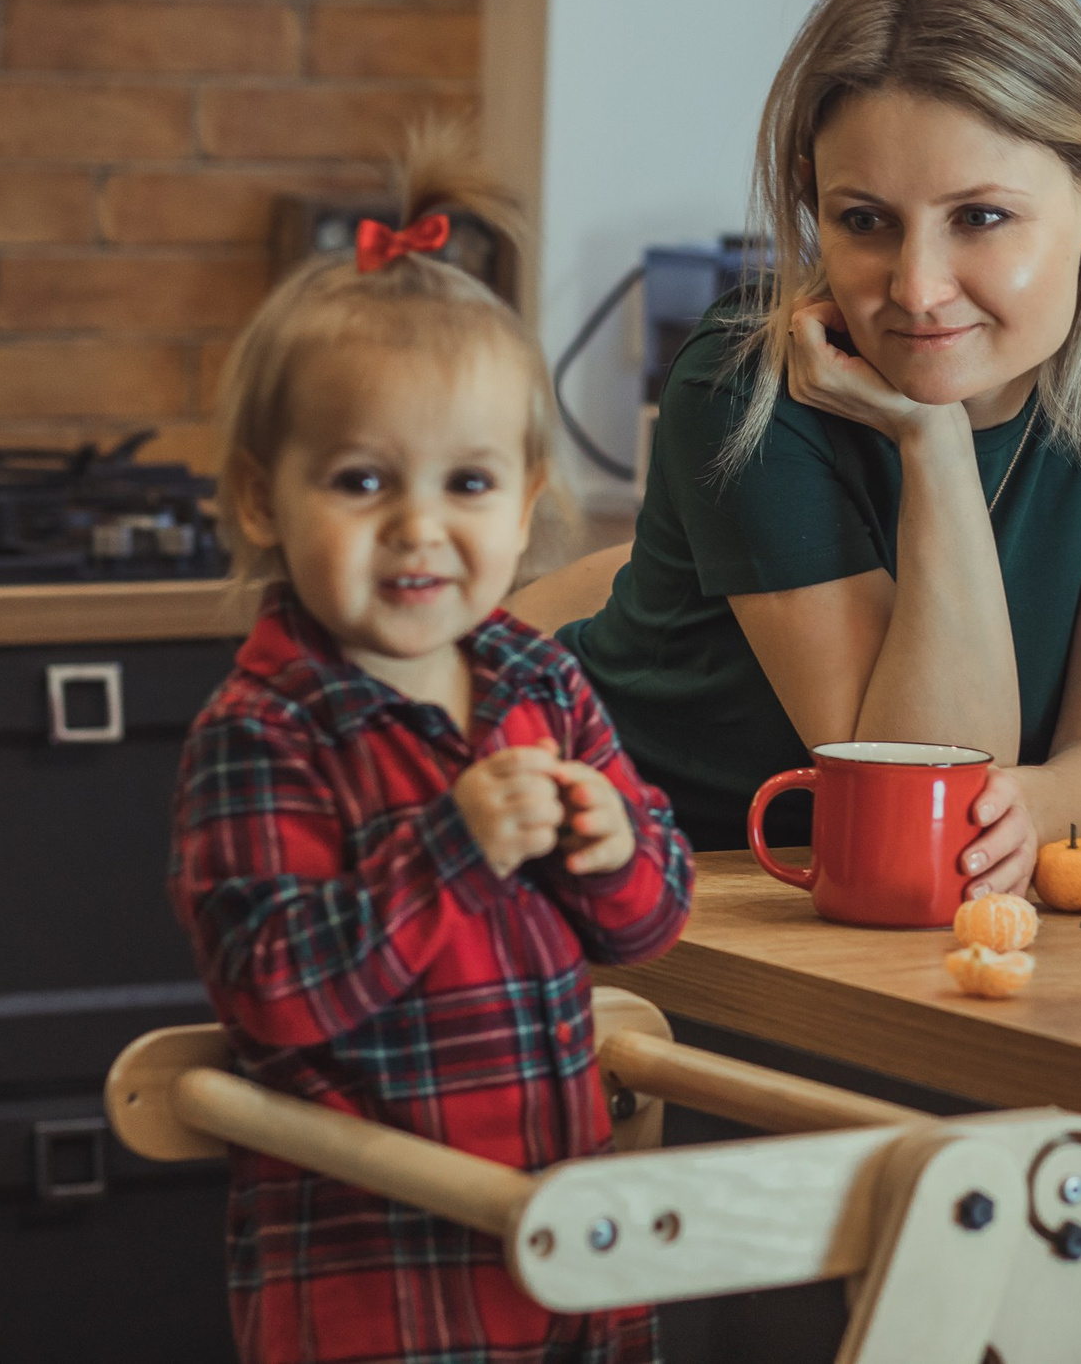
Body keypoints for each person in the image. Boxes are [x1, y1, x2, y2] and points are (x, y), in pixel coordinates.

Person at [550, 0, 1081, 890]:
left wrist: (1032, 809)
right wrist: (933, 436)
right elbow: (919, 787)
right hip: (648, 872)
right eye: (864, 221)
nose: (917, 289)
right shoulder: (740, 386)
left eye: (980, 217)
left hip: (876, 899)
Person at [169, 133, 692, 1364]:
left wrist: (614, 849)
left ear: (525, 500)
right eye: (362, 482)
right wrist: (453, 846)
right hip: (383, 1293)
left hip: (568, 1261)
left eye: (466, 484)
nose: (418, 526)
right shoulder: (263, 730)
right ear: (261, 498)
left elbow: (653, 919)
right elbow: (273, 992)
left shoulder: (540, 679)